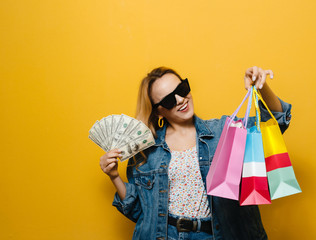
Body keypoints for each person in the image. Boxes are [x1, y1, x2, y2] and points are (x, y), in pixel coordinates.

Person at [99, 66, 292, 240]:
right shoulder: (145, 151)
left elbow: (275, 121)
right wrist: (114, 176)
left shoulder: (223, 131)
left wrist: (261, 87)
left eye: (182, 89)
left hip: (218, 234)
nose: (180, 100)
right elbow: (139, 212)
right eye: (168, 100)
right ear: (158, 112)